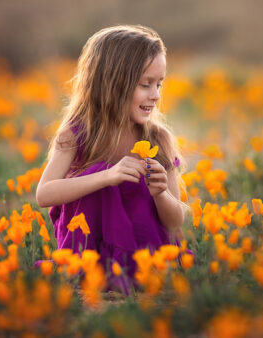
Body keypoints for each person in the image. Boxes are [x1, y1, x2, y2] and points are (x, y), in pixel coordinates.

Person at [36, 25, 185, 293]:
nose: (156, 95)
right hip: (87, 258)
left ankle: (134, 273)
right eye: (145, 84)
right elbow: (44, 194)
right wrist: (106, 176)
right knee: (100, 178)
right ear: (113, 83)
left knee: (138, 186)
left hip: (146, 257)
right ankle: (94, 272)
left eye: (159, 84)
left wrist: (162, 194)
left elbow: (175, 223)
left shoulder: (158, 139)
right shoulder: (77, 133)